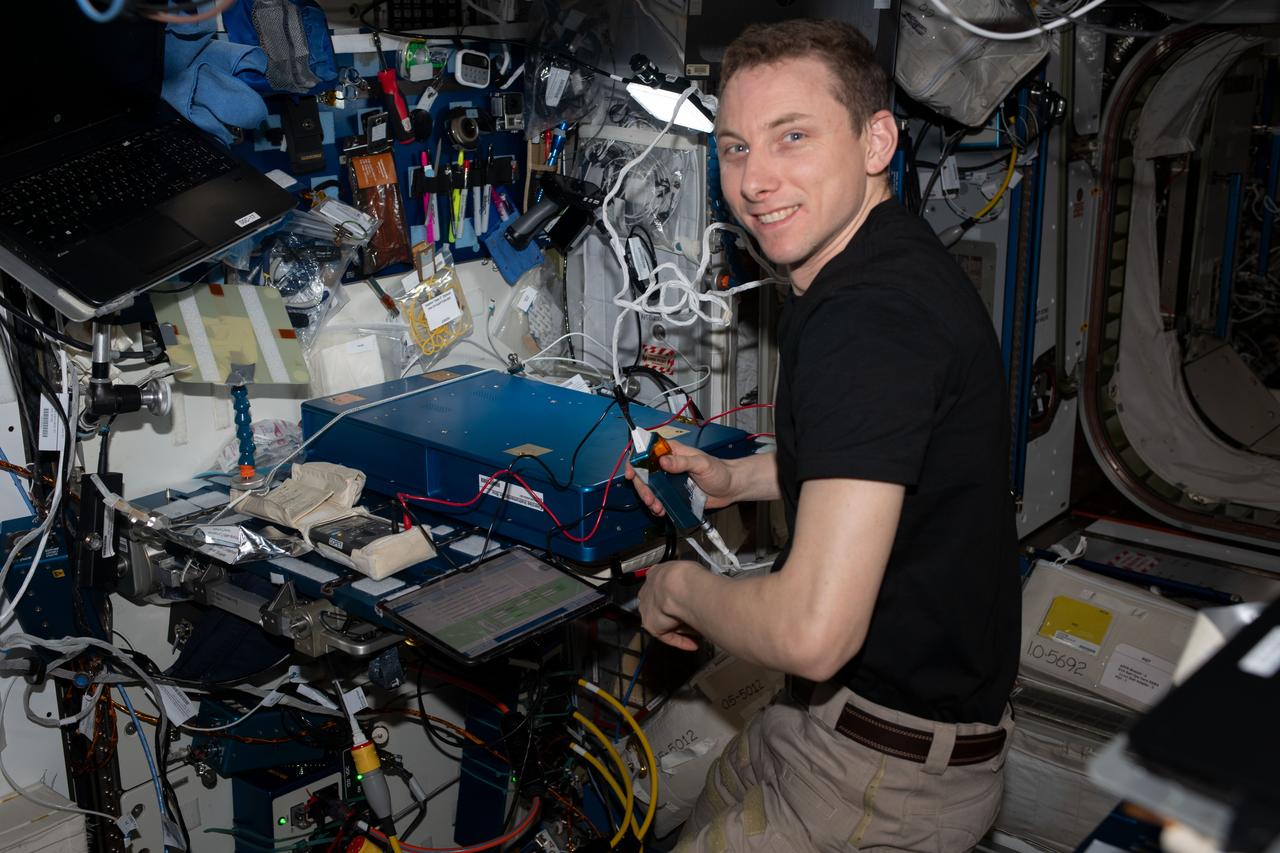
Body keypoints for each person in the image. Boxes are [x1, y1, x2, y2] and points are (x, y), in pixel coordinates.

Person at [626, 18, 1021, 852]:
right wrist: (741, 481)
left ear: (876, 139)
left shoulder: (866, 320)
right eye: (734, 148)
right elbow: (885, 458)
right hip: (841, 722)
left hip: (882, 778)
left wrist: (674, 589)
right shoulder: (886, 258)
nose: (756, 181)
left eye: (792, 137)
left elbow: (812, 633)